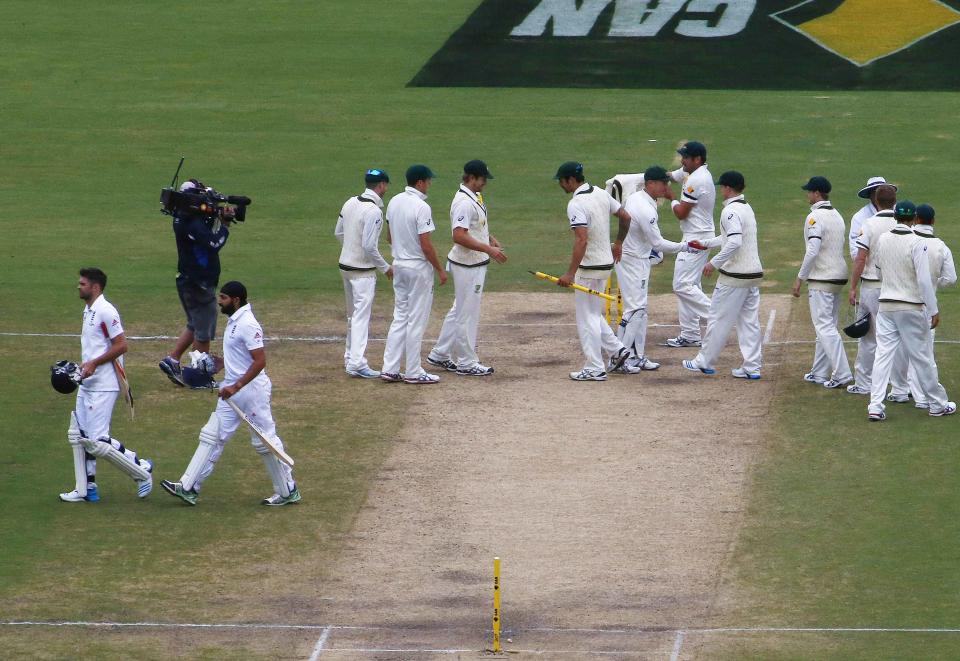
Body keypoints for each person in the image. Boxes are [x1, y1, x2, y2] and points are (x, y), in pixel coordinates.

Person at [162, 281, 300, 505]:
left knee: (264, 441)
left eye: (224, 298)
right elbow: (242, 357)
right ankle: (188, 487)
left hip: (251, 391)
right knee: (212, 435)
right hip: (231, 390)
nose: (219, 302)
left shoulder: (248, 324)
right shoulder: (235, 321)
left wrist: (236, 386)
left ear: (236, 300)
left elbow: (260, 361)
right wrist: (222, 364)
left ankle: (287, 490)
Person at [60, 268, 153, 502]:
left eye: (82, 283)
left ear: (95, 287)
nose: (78, 286)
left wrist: (94, 363)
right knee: (80, 435)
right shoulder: (88, 309)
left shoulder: (106, 311)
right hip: (88, 382)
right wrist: (84, 366)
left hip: (105, 383)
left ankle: (141, 470)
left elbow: (121, 345)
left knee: (98, 441)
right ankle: (86, 488)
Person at [867, 201, 955, 421]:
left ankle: (875, 406)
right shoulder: (917, 242)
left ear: (895, 216)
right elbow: (924, 280)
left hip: (886, 304)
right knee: (922, 357)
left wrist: (890, 285)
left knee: (882, 356)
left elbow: (877, 271)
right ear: (914, 219)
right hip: (912, 306)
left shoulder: (884, 238)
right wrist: (933, 309)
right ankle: (937, 404)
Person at [615, 165, 703, 373]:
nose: (666, 187)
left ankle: (636, 357)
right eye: (663, 183)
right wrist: (686, 246)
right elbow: (658, 243)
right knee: (635, 310)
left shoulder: (638, 198)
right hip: (633, 262)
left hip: (638, 258)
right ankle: (618, 358)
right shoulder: (645, 209)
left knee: (640, 311)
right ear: (650, 184)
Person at [427, 160, 506, 376]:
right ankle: (466, 362)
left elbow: (473, 226)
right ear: (471, 178)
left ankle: (440, 353)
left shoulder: (474, 197)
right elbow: (459, 235)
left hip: (473, 262)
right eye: (482, 179)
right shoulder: (463, 202)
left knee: (459, 310)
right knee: (467, 313)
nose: (485, 184)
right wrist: (489, 250)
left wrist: (488, 238)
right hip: (468, 265)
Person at [555, 161, 631, 381]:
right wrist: (618, 243)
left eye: (562, 181)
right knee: (592, 313)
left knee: (586, 318)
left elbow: (581, 240)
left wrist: (570, 273)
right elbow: (626, 217)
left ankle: (594, 367)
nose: (561, 185)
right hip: (606, 265)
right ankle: (617, 350)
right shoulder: (599, 192)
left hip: (588, 268)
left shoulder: (576, 203)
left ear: (570, 180)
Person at [682, 171, 763, 378]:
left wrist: (713, 262)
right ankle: (752, 367)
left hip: (734, 275)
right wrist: (706, 243)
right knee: (749, 321)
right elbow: (731, 237)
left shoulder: (729, 212)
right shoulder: (746, 207)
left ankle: (704, 361)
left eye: (722, 187)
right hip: (753, 274)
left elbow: (734, 242)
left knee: (717, 317)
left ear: (727, 188)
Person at [159, 179, 233, 387]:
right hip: (198, 283)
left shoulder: (182, 217)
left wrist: (214, 215)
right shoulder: (193, 223)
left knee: (194, 322)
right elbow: (213, 244)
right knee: (203, 330)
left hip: (187, 280)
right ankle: (198, 377)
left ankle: (172, 360)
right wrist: (225, 226)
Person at [381, 165, 447, 384]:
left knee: (400, 317)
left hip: (398, 265)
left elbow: (389, 237)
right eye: (428, 181)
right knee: (416, 320)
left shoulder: (393, 201)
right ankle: (413, 371)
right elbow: (426, 246)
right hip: (418, 269)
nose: (429, 185)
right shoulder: (421, 207)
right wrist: (439, 269)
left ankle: (389, 368)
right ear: (420, 182)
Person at [792, 176, 853, 389]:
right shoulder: (837, 215)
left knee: (824, 326)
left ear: (817, 193)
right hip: (838, 276)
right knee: (827, 325)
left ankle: (843, 373)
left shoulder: (814, 218)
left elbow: (812, 250)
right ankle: (819, 372)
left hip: (822, 277)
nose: (807, 194)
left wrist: (800, 278)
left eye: (809, 191)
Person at [335, 168, 393, 379]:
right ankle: (357, 363)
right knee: (360, 317)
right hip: (362, 272)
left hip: (346, 267)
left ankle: (350, 357)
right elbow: (370, 247)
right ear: (382, 185)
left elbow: (338, 232)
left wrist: (350, 249)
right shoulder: (374, 212)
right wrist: (385, 267)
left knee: (353, 316)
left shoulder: (350, 202)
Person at [664, 141, 717, 348]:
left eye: (685, 158)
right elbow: (675, 175)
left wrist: (671, 198)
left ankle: (718, 317)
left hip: (696, 239)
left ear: (697, 160)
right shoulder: (693, 172)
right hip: (697, 235)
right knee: (689, 285)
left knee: (682, 285)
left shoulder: (696, 180)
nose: (682, 160)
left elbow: (681, 213)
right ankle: (690, 334)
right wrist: (657, 176)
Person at [846, 185, 898, 395]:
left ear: (875, 201)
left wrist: (852, 287)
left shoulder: (868, 224)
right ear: (894, 201)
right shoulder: (903, 223)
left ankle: (864, 383)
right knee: (895, 338)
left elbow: (860, 258)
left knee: (868, 338)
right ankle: (899, 386)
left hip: (871, 288)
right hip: (896, 290)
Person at [849, 176, 896, 259]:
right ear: (870, 195)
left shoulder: (900, 211)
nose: (881, 195)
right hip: (872, 269)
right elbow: (855, 252)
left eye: (883, 191)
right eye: (877, 192)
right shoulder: (859, 217)